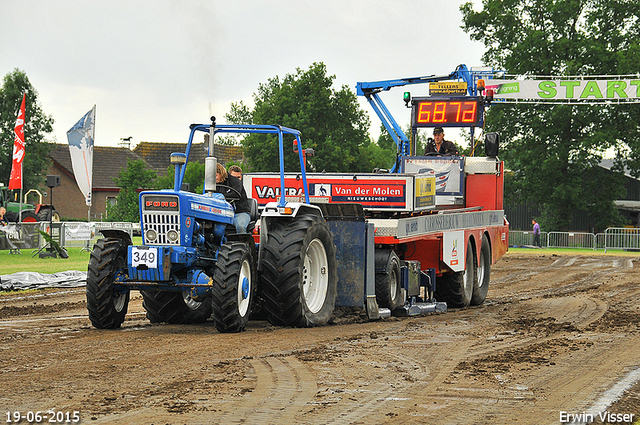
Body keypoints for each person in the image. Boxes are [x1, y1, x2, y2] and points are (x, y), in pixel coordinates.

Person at [215, 163, 250, 233]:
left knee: (241, 226)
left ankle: (242, 242)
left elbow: (236, 194)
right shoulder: (213, 185)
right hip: (222, 213)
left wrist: (222, 197)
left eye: (215, 175)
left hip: (239, 212)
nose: (214, 178)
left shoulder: (235, 181)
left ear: (220, 173)